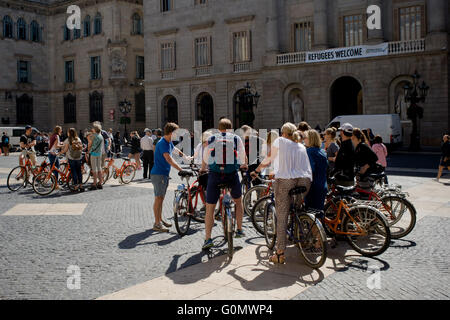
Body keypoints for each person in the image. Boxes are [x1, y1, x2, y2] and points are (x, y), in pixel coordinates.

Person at [251, 122, 312, 264]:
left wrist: (257, 171)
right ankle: (300, 232)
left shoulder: (280, 141)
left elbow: (268, 159)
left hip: (286, 181)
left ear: (284, 133)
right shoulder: (301, 146)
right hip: (305, 181)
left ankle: (279, 253)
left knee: (282, 215)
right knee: (296, 209)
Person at [200, 118, 248, 250]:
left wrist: (203, 168)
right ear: (231, 128)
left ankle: (208, 238)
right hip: (231, 174)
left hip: (215, 175)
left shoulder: (212, 138)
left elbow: (205, 157)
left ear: (218, 127)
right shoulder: (236, 139)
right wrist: (244, 165)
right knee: (238, 201)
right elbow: (243, 157)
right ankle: (239, 229)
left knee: (210, 208)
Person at [151, 123, 190, 232]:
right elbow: (169, 159)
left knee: (161, 198)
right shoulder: (163, 143)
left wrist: (186, 157)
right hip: (159, 174)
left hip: (162, 174)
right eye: (176, 133)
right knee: (158, 199)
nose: (177, 136)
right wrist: (181, 170)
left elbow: (176, 151)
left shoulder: (168, 142)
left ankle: (159, 219)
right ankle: (157, 223)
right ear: (171, 133)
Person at [304, 130, 328, 211]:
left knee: (311, 215)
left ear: (311, 139)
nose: (304, 140)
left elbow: (310, 170)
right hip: (323, 185)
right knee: (319, 213)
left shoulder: (309, 151)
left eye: (305, 138)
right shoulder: (323, 152)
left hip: (313, 187)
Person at [59, 128, 85, 192]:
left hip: (71, 158)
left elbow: (65, 149)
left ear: (69, 133)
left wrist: (59, 153)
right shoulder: (78, 139)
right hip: (78, 157)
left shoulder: (68, 140)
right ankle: (81, 186)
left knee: (74, 172)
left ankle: (76, 186)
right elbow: (81, 148)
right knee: (79, 172)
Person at [88, 124, 104, 190]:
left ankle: (94, 184)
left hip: (93, 154)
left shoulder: (93, 136)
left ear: (95, 129)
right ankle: (100, 183)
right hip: (99, 153)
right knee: (99, 168)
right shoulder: (101, 136)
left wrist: (88, 150)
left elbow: (90, 144)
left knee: (94, 169)